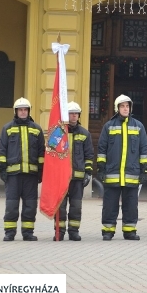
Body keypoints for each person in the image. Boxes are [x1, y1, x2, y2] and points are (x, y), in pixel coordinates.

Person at [97, 94, 147, 241]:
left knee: (131, 204)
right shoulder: (109, 126)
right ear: (117, 108)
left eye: (127, 106)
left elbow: (143, 150)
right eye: (122, 106)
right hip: (112, 173)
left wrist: (144, 170)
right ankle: (108, 230)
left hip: (131, 173)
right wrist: (101, 168)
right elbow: (102, 148)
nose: (125, 109)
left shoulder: (139, 126)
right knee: (109, 204)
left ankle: (130, 230)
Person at [0, 97, 44, 242]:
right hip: (13, 175)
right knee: (11, 204)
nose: (23, 112)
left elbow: (41, 152)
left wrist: (41, 170)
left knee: (30, 205)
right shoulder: (7, 128)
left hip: (31, 174)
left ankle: (28, 232)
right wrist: (2, 169)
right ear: (16, 111)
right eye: (20, 110)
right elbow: (1, 150)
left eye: (25, 110)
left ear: (29, 111)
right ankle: (9, 232)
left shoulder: (36, 129)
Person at [54, 102, 94, 241]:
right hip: (61, 178)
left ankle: (73, 231)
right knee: (61, 207)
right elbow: (51, 153)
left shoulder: (85, 133)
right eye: (71, 113)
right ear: (67, 115)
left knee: (76, 206)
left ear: (79, 116)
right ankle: (59, 232)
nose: (74, 116)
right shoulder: (58, 132)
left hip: (77, 178)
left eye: (76, 114)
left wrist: (88, 173)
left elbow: (89, 155)